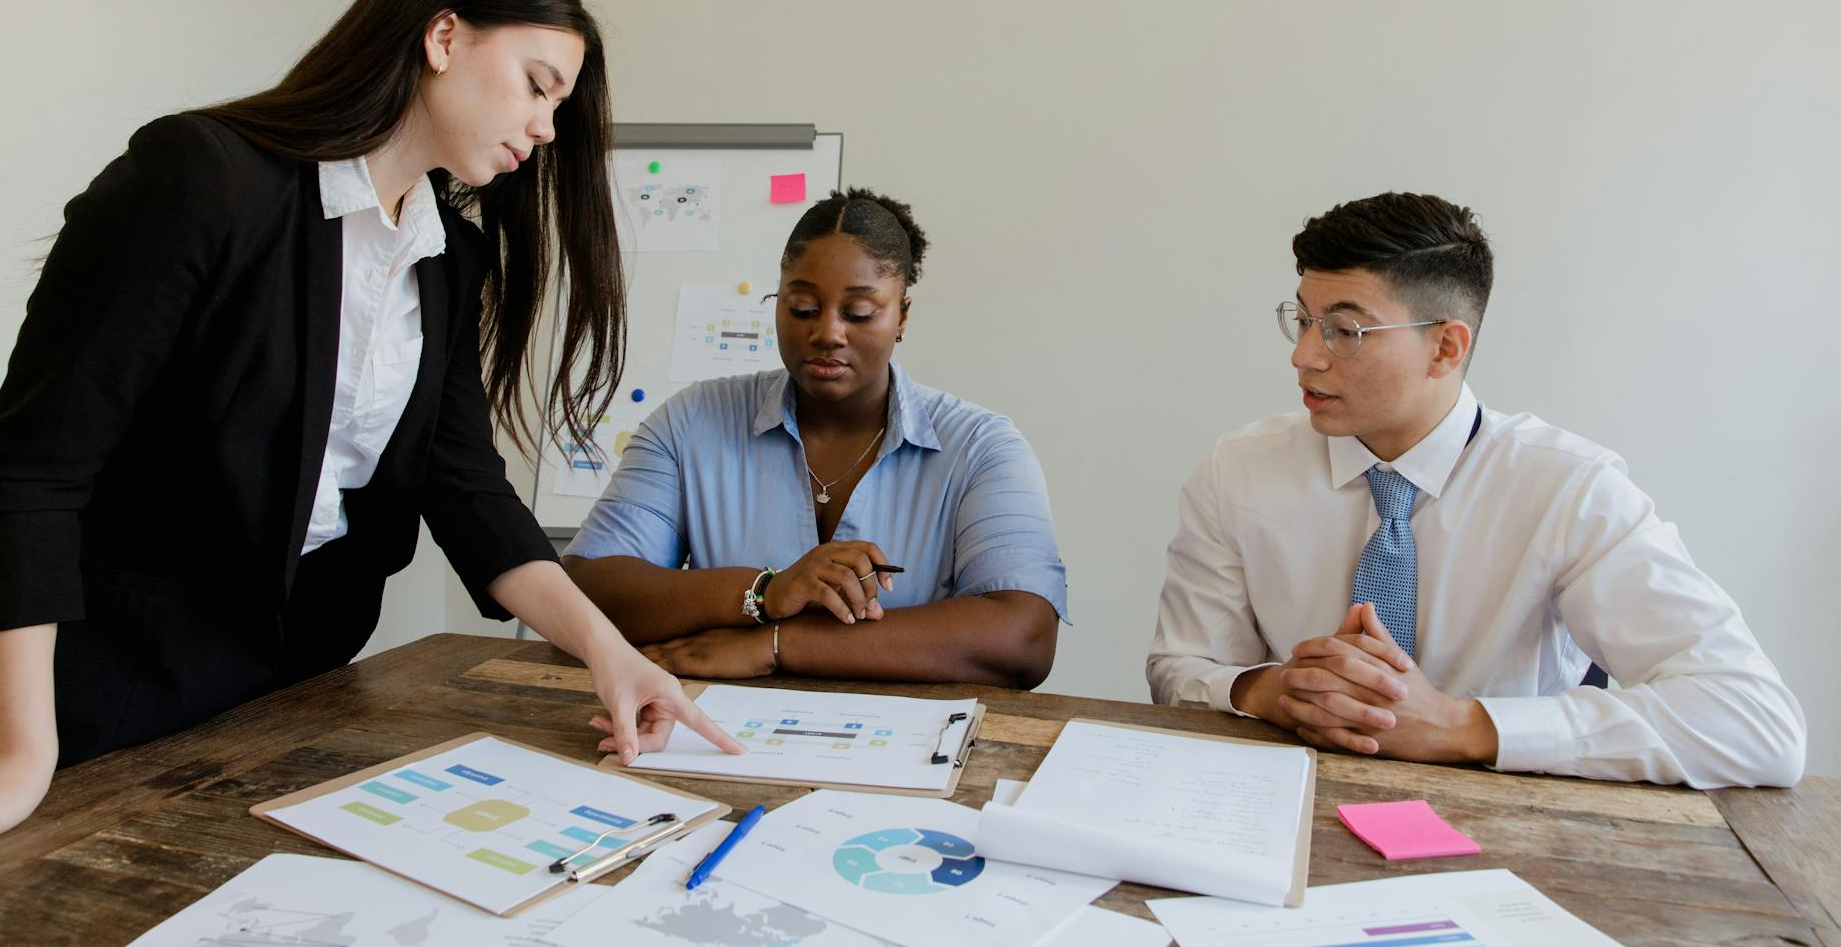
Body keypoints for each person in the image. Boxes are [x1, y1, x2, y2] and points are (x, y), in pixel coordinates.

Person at [0, 0, 738, 846]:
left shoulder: (448, 254)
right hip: (99, 702)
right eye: (538, 86)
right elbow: (28, 475)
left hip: (296, 699)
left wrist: (613, 657)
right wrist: (20, 758)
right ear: (443, 37)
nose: (545, 126)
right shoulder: (201, 181)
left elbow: (464, 484)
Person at [1147, 192, 1805, 788]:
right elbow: (1180, 667)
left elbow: (1757, 722)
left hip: (1514, 833)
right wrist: (1266, 689)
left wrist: (1462, 726)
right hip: (1279, 805)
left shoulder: (1568, 489)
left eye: (1344, 330)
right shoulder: (1239, 469)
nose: (1304, 357)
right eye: (1302, 319)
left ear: (1445, 348)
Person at [562, 189, 1067, 697]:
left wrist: (775, 646)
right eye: (802, 308)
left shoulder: (982, 448)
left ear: (903, 316)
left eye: (860, 312)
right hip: (705, 737)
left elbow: (1023, 637)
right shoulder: (692, 422)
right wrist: (764, 592)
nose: (827, 332)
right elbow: (586, 590)